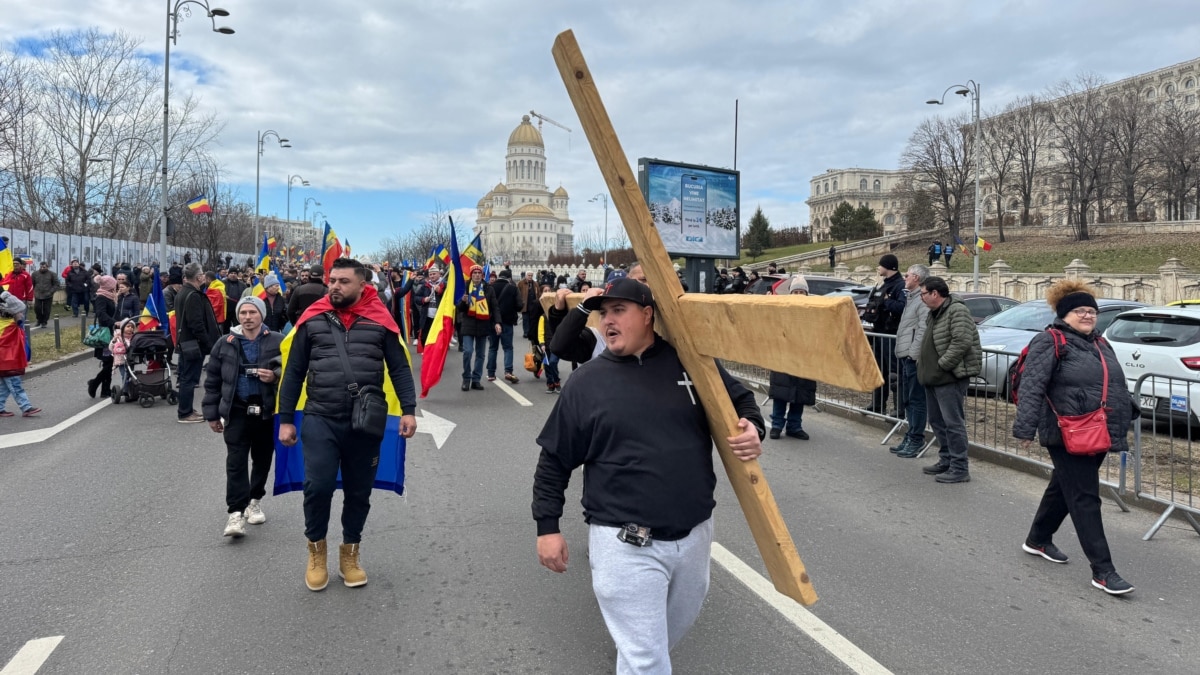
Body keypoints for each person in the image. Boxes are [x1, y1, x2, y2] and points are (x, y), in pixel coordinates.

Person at [532, 277, 765, 673]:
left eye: (618, 310)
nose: (608, 321)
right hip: (624, 541)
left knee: (654, 645)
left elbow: (738, 398)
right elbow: (554, 460)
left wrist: (754, 427)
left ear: (647, 315)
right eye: (604, 314)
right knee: (647, 658)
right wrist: (547, 527)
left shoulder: (690, 362)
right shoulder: (586, 383)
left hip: (694, 535)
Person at [277, 258, 418, 592]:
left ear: (362, 285)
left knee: (358, 491)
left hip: (364, 423)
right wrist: (285, 420)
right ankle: (316, 552)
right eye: (332, 281)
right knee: (319, 487)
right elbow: (294, 371)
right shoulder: (312, 319)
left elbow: (398, 368)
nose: (334, 287)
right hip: (320, 418)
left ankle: (350, 554)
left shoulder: (381, 321)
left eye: (342, 281)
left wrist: (409, 410)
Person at [1013, 280, 1138, 596]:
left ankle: (1038, 539)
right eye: (1080, 311)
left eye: (1091, 311)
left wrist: (1129, 409)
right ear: (1064, 314)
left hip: (1098, 428)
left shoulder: (1100, 343)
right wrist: (1025, 429)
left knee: (1063, 487)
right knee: (1085, 496)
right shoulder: (1050, 341)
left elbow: (1112, 383)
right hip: (1067, 431)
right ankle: (1104, 571)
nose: (1087, 316)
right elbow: (1031, 388)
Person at [203, 296, 284, 540]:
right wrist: (212, 414)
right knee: (236, 461)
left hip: (266, 411)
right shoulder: (224, 343)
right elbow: (213, 381)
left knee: (262, 459)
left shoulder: (279, 340)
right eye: (243, 313)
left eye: (253, 312)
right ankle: (235, 513)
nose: (248, 317)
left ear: (261, 315)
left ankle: (254, 500)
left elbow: (293, 370)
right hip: (236, 411)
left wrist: (275, 375)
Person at [916, 276, 981, 484]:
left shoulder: (957, 310)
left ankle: (960, 467)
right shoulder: (934, 313)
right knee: (937, 421)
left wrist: (942, 364)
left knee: (953, 423)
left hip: (949, 377)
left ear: (935, 293)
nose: (921, 297)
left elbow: (962, 340)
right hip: (934, 377)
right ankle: (946, 460)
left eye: (923, 293)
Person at [768, 275, 816, 440]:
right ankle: (776, 425)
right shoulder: (782, 310)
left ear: (806, 293)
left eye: (801, 291)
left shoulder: (813, 312)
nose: (798, 295)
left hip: (805, 357)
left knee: (800, 394)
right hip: (784, 356)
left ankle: (794, 426)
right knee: (781, 392)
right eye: (795, 291)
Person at [890, 264, 931, 458]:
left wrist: (912, 354)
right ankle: (910, 434)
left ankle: (916, 438)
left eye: (906, 275)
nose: (904, 277)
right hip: (906, 356)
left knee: (916, 399)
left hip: (913, 357)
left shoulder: (921, 300)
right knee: (907, 399)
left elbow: (922, 329)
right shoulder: (911, 297)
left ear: (916, 278)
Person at [175, 262, 221, 423]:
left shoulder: (183, 292)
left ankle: (186, 410)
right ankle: (185, 412)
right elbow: (196, 324)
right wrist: (208, 343)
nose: (203, 276)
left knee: (186, 377)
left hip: (187, 342)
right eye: (201, 274)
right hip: (194, 344)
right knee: (189, 379)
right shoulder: (193, 295)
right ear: (199, 277)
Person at [862, 254, 906, 414]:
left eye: (880, 265)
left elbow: (902, 307)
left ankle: (899, 410)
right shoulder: (884, 285)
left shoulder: (900, 285)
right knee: (879, 372)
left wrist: (886, 301)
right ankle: (878, 404)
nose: (878, 268)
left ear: (888, 267)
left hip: (892, 335)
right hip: (879, 334)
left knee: (895, 373)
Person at [457, 265, 501, 391]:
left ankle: (476, 379)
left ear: (482, 275)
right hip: (468, 324)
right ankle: (466, 378)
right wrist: (464, 302)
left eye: (479, 273)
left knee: (480, 355)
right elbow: (460, 309)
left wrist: (497, 322)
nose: (476, 275)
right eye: (474, 273)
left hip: (483, 324)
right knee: (468, 352)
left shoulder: (489, 289)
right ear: (471, 275)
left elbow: (494, 307)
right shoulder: (465, 287)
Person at [0, 291, 40, 417]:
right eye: (19, 314)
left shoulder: (8, 324)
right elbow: (19, 306)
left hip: (6, 358)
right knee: (14, 382)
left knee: (4, 385)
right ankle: (26, 407)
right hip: (6, 359)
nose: (22, 315)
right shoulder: (9, 327)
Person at [86, 275, 118, 399]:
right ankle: (94, 383)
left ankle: (105, 390)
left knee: (109, 361)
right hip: (106, 333)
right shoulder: (101, 297)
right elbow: (101, 314)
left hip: (111, 332)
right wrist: (113, 322)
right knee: (109, 361)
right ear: (109, 286)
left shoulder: (110, 296)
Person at [487, 269, 520, 383]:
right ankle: (508, 371)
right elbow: (519, 305)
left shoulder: (490, 287)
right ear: (509, 278)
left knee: (492, 348)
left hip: (492, 322)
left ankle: (491, 373)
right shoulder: (513, 288)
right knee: (508, 348)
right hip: (507, 322)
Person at [109, 318, 136, 392]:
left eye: (132, 327)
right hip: (122, 360)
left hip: (131, 359)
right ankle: (126, 390)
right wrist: (114, 341)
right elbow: (111, 348)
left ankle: (130, 389)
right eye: (128, 326)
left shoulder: (134, 337)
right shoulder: (118, 337)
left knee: (131, 375)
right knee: (125, 375)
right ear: (123, 328)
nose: (130, 328)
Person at [32, 261, 60, 328]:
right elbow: (32, 284)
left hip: (48, 294)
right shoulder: (34, 274)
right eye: (41, 267)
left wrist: (51, 291)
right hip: (38, 294)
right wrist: (33, 291)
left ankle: (44, 321)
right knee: (37, 308)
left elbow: (56, 284)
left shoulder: (52, 274)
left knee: (46, 309)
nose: (42, 268)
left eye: (44, 267)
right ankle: (39, 320)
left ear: (47, 267)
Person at [517, 271, 538, 339]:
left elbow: (538, 293)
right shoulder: (521, 283)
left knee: (532, 319)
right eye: (529, 275)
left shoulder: (535, 284)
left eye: (531, 275)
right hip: (525, 304)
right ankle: (526, 332)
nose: (530, 277)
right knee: (525, 319)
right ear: (526, 276)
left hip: (533, 304)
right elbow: (517, 293)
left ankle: (531, 332)